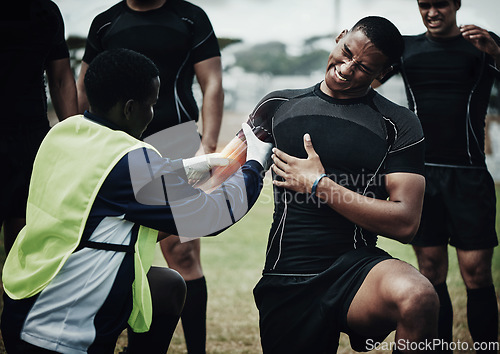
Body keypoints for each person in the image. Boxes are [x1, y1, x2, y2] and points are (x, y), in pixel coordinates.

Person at [1, 48, 272, 354]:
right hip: (58, 336)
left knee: (167, 286)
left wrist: (188, 167)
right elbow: (208, 216)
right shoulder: (131, 161)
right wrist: (254, 167)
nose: (152, 114)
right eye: (151, 105)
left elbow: (106, 180)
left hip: (23, 309)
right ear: (130, 108)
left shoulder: (63, 133)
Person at [247, 16, 440, 353]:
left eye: (364, 67)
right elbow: (227, 175)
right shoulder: (276, 106)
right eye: (346, 52)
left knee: (418, 297)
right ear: (339, 38)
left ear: (381, 75)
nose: (347, 69)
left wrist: (320, 184)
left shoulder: (400, 125)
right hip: (288, 274)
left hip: (355, 268)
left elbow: (407, 223)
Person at [75, 1, 223, 350]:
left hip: (177, 139)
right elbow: (84, 86)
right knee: (107, 244)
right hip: (116, 144)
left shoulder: (189, 17)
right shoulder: (106, 23)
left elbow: (212, 82)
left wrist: (209, 147)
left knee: (183, 254)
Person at [374, 1, 500, 351]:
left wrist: (497, 53)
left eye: (440, 4)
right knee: (430, 272)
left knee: (476, 274)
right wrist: (346, 48)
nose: (432, 12)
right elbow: (366, 76)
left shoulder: (483, 46)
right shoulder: (407, 48)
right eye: (424, 5)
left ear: (456, 4)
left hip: (469, 176)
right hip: (420, 177)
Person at [0, 0, 78, 255]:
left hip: (31, 141)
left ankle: (16, 295)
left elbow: (60, 78)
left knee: (24, 244)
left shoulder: (46, 10)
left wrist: (76, 144)